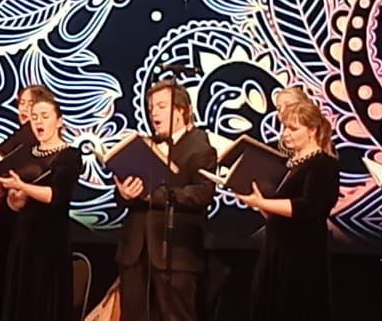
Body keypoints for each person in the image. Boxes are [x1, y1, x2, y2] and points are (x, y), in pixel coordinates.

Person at [114, 80, 217, 321]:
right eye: (151, 108)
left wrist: (156, 195)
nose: (154, 113)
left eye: (161, 106)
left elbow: (202, 193)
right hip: (136, 252)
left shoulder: (200, 147)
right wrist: (124, 193)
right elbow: (124, 195)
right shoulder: (145, 146)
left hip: (175, 252)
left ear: (182, 110)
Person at [237, 101, 340, 321]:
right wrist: (258, 203)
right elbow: (278, 212)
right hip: (277, 249)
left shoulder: (323, 164)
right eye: (284, 127)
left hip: (301, 255)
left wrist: (262, 203)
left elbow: (309, 206)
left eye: (293, 128)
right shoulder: (289, 165)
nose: (286, 133)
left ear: (312, 130)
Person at [0, 97, 80, 321]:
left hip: (50, 242)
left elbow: (56, 196)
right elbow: (16, 202)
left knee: (44, 303)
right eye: (34, 117)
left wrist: (23, 187)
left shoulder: (70, 155)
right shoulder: (24, 153)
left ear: (59, 121)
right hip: (23, 239)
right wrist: (13, 198)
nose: (39, 122)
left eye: (45, 116)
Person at [0, 84, 53, 321]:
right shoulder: (18, 137)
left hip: (28, 222)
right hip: (7, 216)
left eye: (29, 104)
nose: (23, 109)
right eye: (20, 104)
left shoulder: (38, 143)